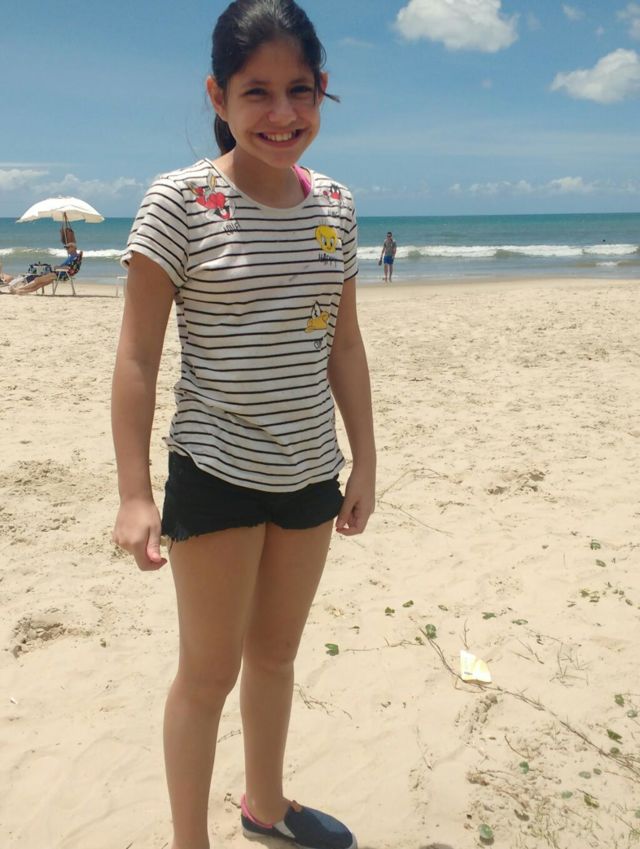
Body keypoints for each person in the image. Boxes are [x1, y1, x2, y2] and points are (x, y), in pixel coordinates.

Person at [110, 3, 376, 849]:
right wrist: (134, 492)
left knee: (276, 654)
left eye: (300, 89)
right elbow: (138, 356)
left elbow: (344, 345)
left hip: (309, 471)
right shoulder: (180, 201)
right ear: (217, 95)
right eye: (256, 91)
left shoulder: (336, 206)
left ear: (322, 90)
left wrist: (364, 460)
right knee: (208, 672)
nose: (282, 112)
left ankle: (266, 804)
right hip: (215, 470)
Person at [1, 228, 82, 294]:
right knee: (40, 284)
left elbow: (69, 268)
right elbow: (71, 268)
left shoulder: (74, 258)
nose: (66, 249)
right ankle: (20, 291)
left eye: (68, 248)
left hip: (59, 274)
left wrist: (58, 267)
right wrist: (59, 267)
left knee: (37, 280)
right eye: (66, 248)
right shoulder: (73, 257)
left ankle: (18, 289)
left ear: (73, 248)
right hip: (59, 273)